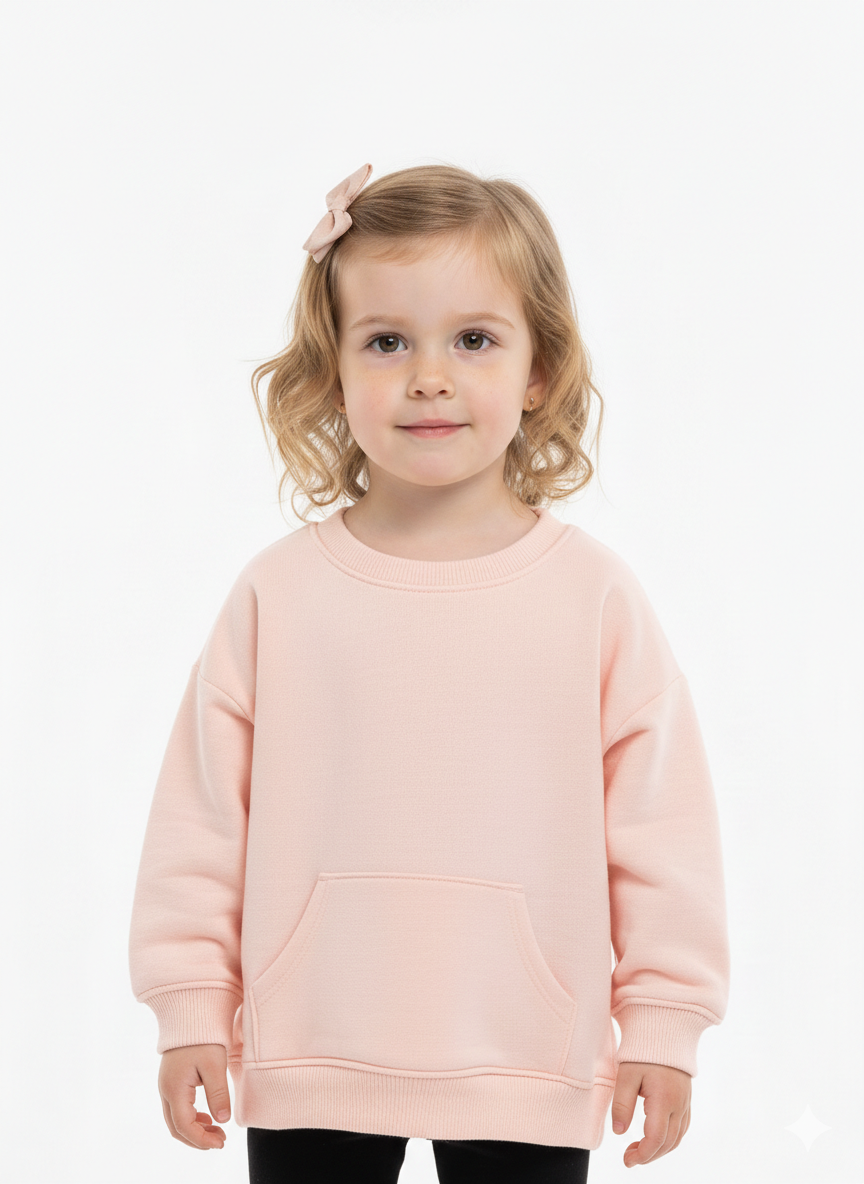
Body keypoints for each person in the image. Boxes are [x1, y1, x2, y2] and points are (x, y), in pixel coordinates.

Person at [128, 161, 731, 1183]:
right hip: (313, 1043)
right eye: (387, 341)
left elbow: (661, 826)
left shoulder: (593, 597)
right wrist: (189, 1004)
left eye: (474, 339)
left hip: (527, 1053)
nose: (429, 377)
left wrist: (665, 1021)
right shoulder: (280, 593)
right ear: (331, 370)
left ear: (539, 370)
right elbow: (201, 818)